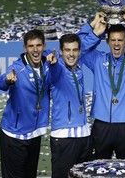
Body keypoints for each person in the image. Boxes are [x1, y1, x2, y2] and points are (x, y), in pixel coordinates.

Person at [77, 12, 125, 160]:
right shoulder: (98, 60)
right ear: (108, 42)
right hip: (102, 125)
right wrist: (94, 29)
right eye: (113, 40)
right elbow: (78, 48)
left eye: (120, 40)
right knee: (96, 170)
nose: (117, 44)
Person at [0, 29, 51, 178]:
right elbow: (1, 83)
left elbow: (71, 47)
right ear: (25, 48)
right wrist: (8, 80)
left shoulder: (48, 63)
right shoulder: (17, 68)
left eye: (38, 45)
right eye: (31, 46)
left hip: (34, 133)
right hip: (14, 134)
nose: (35, 50)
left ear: (44, 46)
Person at [46, 34, 94, 178]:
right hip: (64, 137)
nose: (71, 54)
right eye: (67, 50)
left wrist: (95, 26)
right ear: (60, 52)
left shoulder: (78, 68)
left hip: (84, 135)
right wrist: (52, 64)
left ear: (79, 51)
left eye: (74, 50)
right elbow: (54, 74)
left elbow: (90, 39)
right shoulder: (58, 68)